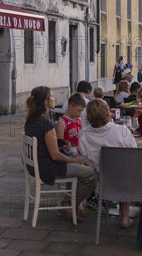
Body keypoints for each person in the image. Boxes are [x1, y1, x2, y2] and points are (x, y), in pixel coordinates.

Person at [78, 99, 142, 229]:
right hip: (134, 182)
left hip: (107, 182)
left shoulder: (83, 135)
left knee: (121, 170)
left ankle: (124, 217)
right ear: (108, 112)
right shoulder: (121, 130)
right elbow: (134, 156)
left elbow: (88, 161)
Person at [24, 86, 97, 220]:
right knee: (90, 174)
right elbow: (55, 155)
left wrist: (64, 147)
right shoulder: (46, 124)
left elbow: (46, 145)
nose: (54, 98)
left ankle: (69, 202)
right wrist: (75, 160)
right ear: (46, 102)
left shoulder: (31, 120)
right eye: (51, 96)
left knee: (78, 168)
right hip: (48, 168)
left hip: (34, 167)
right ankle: (68, 204)